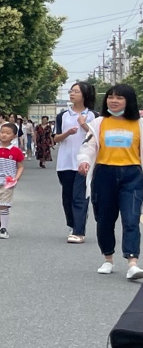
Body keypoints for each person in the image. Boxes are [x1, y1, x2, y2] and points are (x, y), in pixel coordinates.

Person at [78, 83, 142, 281]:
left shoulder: (139, 124)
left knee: (131, 219)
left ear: (129, 101)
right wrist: (84, 161)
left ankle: (132, 263)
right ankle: (108, 258)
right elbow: (88, 146)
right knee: (105, 219)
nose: (113, 101)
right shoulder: (98, 123)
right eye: (110, 97)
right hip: (104, 174)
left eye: (119, 97)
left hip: (132, 175)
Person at [55, 80, 97, 243]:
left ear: (85, 95)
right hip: (65, 162)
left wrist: (83, 125)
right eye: (71, 91)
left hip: (85, 162)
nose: (72, 94)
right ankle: (73, 225)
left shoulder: (94, 116)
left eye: (76, 91)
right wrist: (67, 133)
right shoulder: (63, 116)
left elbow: (97, 137)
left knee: (80, 196)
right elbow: (55, 139)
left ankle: (79, 231)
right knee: (67, 197)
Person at [0, 122, 26, 239]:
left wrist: (16, 178)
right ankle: (1, 220)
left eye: (8, 133)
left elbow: (20, 166)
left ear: (14, 136)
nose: (4, 135)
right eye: (2, 132)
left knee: (4, 206)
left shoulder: (16, 151)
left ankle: (3, 229)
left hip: (8, 182)